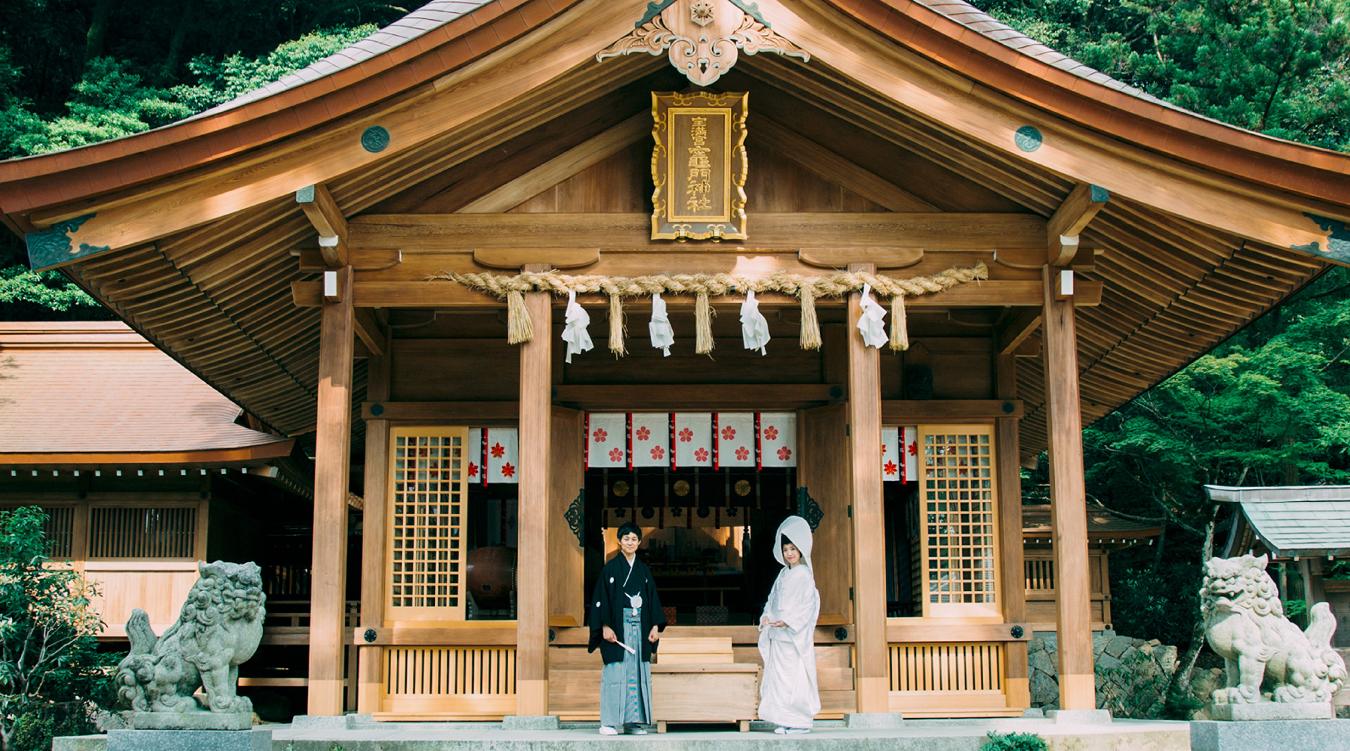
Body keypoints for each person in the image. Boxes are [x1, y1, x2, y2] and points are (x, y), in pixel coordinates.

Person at [588, 521, 666, 735]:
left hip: (640, 628)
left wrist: (654, 626)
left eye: (634, 539)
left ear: (639, 542)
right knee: (616, 673)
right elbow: (600, 599)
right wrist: (604, 625)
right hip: (617, 629)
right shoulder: (611, 569)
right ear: (619, 541)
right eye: (626, 538)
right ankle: (609, 722)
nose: (630, 542)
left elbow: (652, 601)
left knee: (637, 674)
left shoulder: (643, 570)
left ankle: (633, 722)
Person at [757, 515, 820, 734]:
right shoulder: (783, 574)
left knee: (795, 680)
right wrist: (767, 616)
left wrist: (789, 621)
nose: (789, 553)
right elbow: (772, 600)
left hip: (793, 637)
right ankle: (784, 719)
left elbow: (808, 606)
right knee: (780, 681)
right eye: (786, 549)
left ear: (800, 550)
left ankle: (801, 721)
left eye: (793, 549)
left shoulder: (804, 575)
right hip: (778, 636)